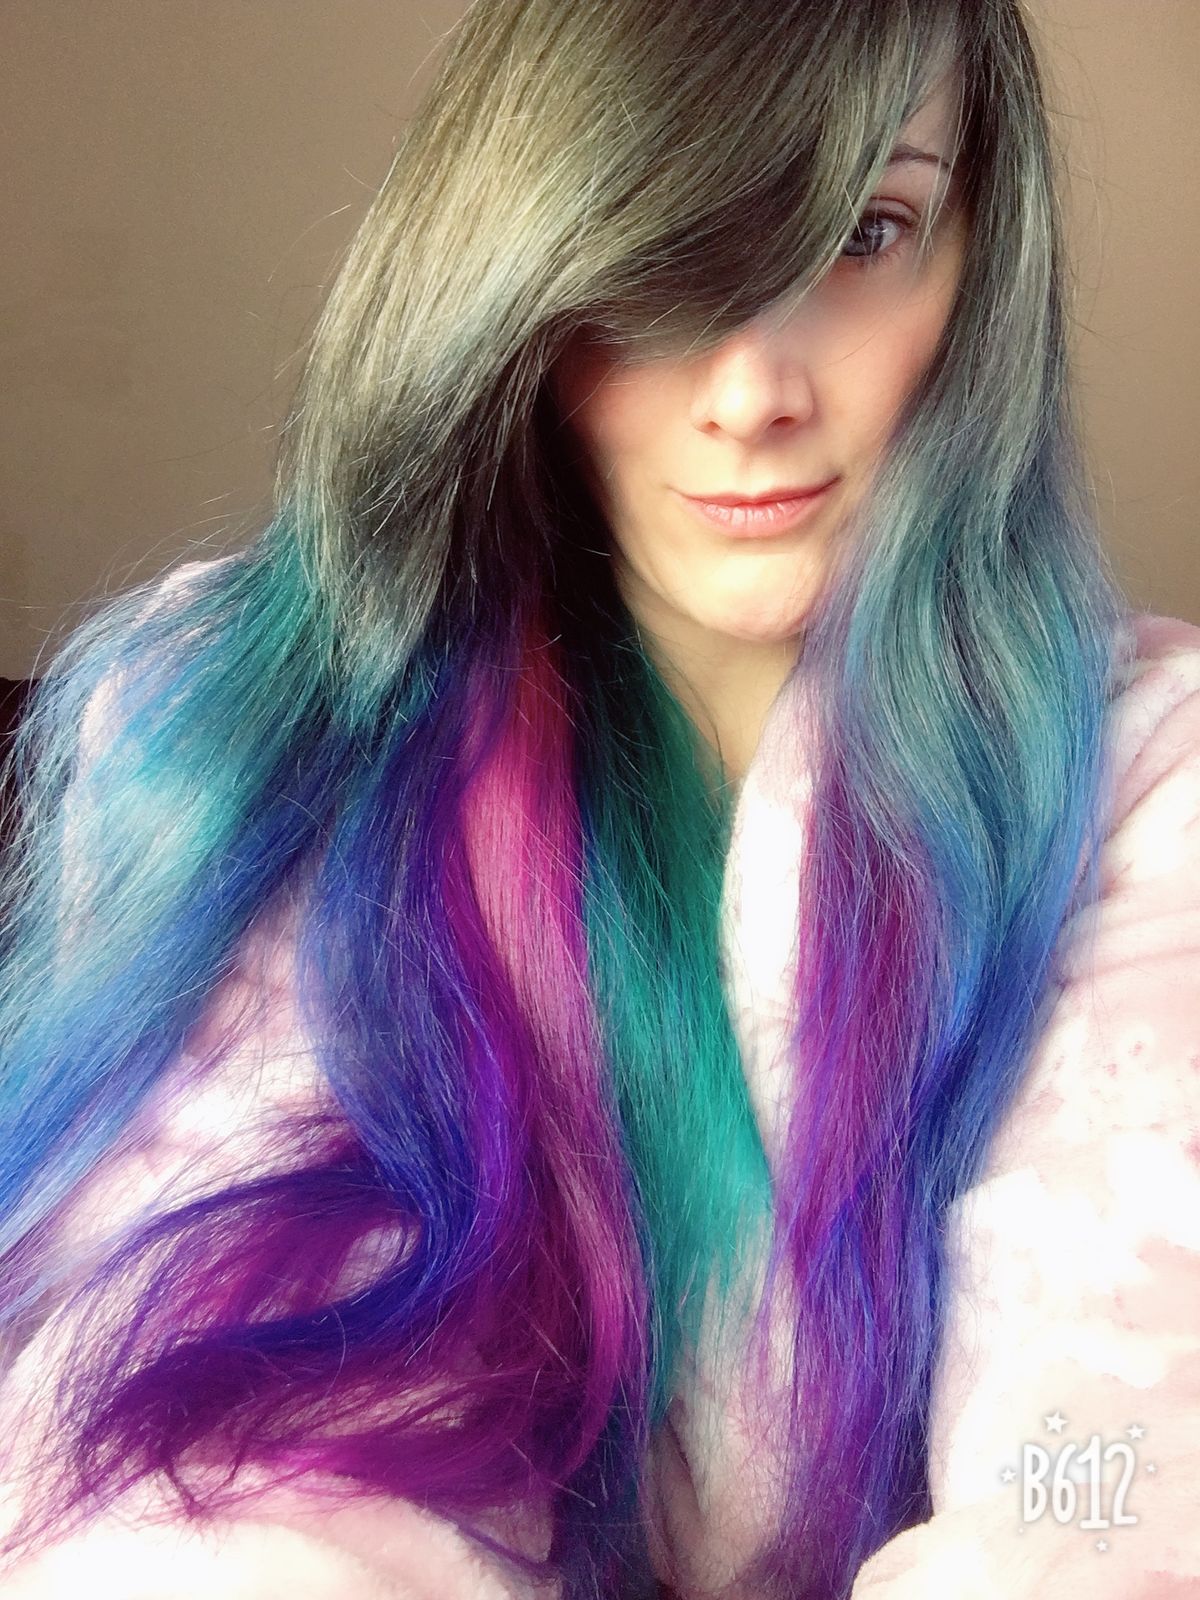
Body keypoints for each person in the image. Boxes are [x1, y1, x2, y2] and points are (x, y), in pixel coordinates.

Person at [0, 0, 1197, 1596]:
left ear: (980, 259)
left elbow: (1110, 1485)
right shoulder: (249, 724)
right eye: (669, 250)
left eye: (866, 233)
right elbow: (253, 1458)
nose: (754, 388)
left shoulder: (1147, 774)